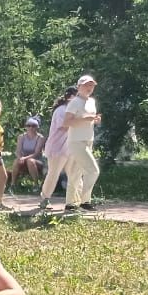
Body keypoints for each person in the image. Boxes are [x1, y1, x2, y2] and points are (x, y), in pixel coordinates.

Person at [63, 74, 102, 213]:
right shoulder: (74, 102)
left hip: (88, 139)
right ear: (79, 86)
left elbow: (89, 119)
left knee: (75, 172)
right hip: (76, 141)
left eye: (91, 85)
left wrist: (95, 120)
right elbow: (67, 122)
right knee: (93, 170)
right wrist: (86, 118)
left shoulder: (92, 101)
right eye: (86, 85)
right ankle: (84, 201)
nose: (89, 88)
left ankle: (70, 204)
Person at [38, 86, 77, 209]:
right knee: (54, 174)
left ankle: (76, 200)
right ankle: (45, 199)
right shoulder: (61, 110)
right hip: (57, 148)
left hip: (69, 148)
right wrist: (83, 122)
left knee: (74, 174)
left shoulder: (73, 111)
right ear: (70, 97)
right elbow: (65, 126)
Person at [9, 117, 46, 188]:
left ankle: (36, 185)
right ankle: (13, 184)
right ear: (26, 127)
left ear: (37, 127)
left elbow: (36, 153)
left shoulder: (40, 138)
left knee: (30, 161)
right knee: (16, 161)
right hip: (23, 159)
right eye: (28, 125)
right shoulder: (21, 137)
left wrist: (24, 158)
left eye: (33, 126)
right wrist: (20, 158)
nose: (31, 128)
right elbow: (18, 150)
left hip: (37, 161)